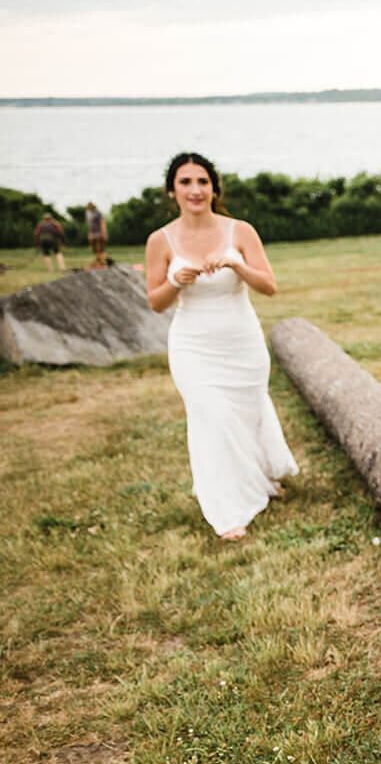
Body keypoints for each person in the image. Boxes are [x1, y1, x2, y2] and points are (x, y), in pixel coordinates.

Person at [144, 152, 299, 541]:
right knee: (210, 418)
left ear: (214, 188)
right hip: (193, 345)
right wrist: (177, 281)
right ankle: (227, 510)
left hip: (241, 341)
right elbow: (156, 302)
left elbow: (270, 286)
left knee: (244, 415)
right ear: (171, 191)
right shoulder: (159, 240)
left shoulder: (240, 231)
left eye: (202, 181)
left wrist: (236, 266)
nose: (195, 190)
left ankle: (257, 479)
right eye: (185, 182)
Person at [84, 202, 108, 267]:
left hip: (99, 234)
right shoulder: (88, 213)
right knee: (95, 250)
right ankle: (101, 262)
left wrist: (104, 233)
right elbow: (89, 225)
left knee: (100, 250)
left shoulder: (98, 213)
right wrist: (90, 233)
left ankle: (106, 261)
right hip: (93, 234)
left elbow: (102, 223)